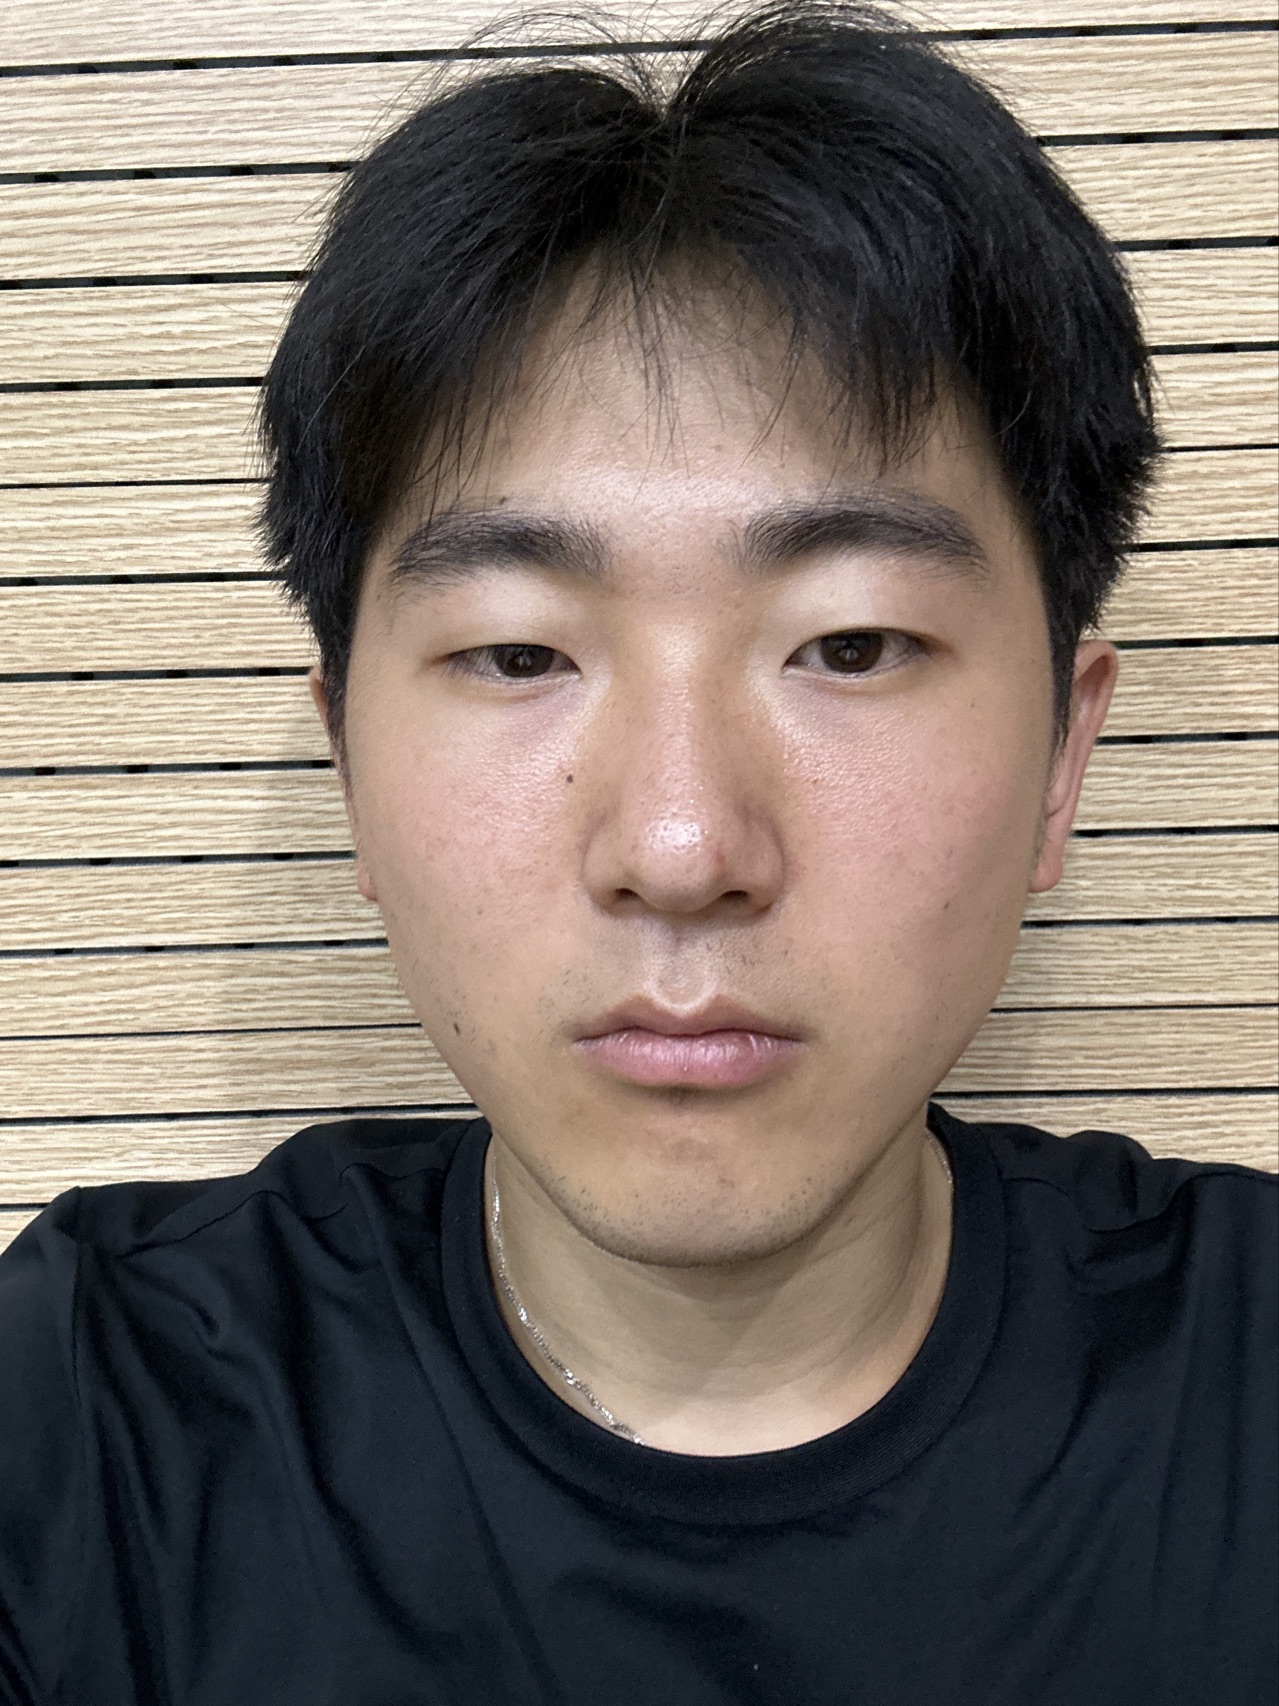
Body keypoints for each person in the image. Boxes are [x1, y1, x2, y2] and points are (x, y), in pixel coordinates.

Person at [0, 4, 1274, 1701]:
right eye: (519, 650)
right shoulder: (100, 1416)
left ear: (1061, 753)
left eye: (852, 643)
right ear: (349, 763)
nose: (680, 846)